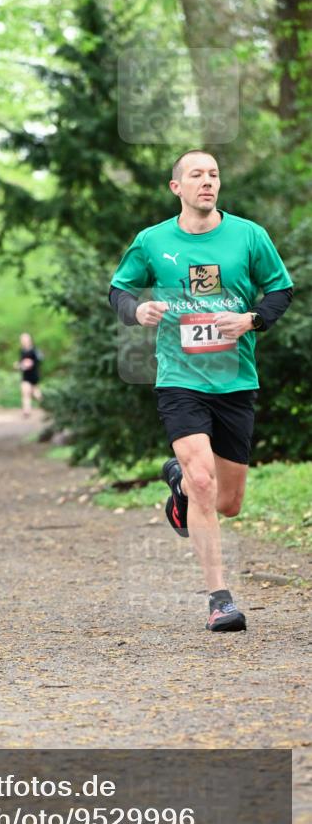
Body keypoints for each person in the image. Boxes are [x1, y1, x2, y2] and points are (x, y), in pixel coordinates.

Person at [109, 149, 293, 633]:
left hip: (236, 381)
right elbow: (120, 291)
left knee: (229, 501)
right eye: (197, 175)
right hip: (180, 381)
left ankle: (178, 489)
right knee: (205, 483)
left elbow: (280, 290)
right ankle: (219, 599)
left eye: (213, 174)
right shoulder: (152, 242)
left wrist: (251, 319)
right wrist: (137, 312)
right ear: (178, 187)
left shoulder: (249, 236)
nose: (207, 182)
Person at [16, 332, 42, 417]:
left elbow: (39, 360)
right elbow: (21, 362)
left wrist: (31, 363)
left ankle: (46, 405)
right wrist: (19, 365)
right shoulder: (22, 351)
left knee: (36, 393)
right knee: (25, 392)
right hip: (25, 375)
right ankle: (26, 411)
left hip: (34, 374)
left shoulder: (35, 350)